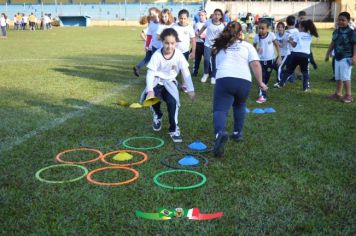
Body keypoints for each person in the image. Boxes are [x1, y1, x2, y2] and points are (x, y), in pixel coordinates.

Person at [212, 21, 267, 157]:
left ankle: (220, 133)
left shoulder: (220, 47)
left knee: (220, 109)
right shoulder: (247, 46)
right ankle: (237, 133)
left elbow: (218, 66)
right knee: (240, 105)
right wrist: (260, 82)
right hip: (244, 80)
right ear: (240, 33)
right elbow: (255, 64)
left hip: (225, 78)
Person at [145, 28, 195, 142]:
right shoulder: (157, 55)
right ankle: (158, 115)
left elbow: (185, 72)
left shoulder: (178, 55)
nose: (169, 46)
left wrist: (190, 89)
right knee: (153, 100)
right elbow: (150, 73)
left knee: (173, 103)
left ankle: (174, 129)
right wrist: (150, 90)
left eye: (172, 43)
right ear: (162, 42)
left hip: (170, 82)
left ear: (176, 43)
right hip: (156, 81)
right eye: (166, 43)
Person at [276, 20, 319, 92]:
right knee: (305, 72)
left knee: (289, 70)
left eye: (299, 26)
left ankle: (280, 84)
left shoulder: (297, 34)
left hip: (295, 54)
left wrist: (290, 41)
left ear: (302, 27)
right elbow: (315, 37)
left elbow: (294, 45)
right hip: (305, 55)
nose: (298, 27)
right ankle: (305, 88)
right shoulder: (310, 35)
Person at [325, 12, 356, 103]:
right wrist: (328, 53)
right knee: (338, 77)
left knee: (346, 77)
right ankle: (338, 93)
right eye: (339, 20)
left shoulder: (351, 33)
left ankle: (349, 95)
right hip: (337, 57)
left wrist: (354, 57)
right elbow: (333, 43)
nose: (341, 22)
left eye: (343, 20)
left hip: (346, 58)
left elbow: (355, 45)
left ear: (348, 21)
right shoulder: (336, 31)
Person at [253, 19, 281, 103]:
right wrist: (257, 49)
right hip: (260, 61)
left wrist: (279, 56)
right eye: (259, 28)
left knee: (266, 78)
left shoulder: (271, 35)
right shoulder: (256, 37)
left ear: (267, 29)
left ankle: (262, 91)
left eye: (263, 28)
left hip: (270, 61)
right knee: (262, 78)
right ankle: (263, 96)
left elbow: (277, 45)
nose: (260, 30)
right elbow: (253, 47)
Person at [198, 8, 225, 84]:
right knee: (206, 60)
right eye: (215, 14)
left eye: (218, 14)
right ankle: (206, 74)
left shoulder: (222, 26)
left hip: (216, 46)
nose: (216, 16)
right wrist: (198, 34)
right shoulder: (209, 22)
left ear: (221, 16)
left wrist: (218, 46)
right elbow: (203, 28)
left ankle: (213, 76)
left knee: (214, 61)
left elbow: (222, 37)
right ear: (213, 15)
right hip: (207, 44)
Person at [275, 16, 298, 86]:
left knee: (280, 66)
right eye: (278, 27)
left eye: (281, 27)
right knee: (288, 67)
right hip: (281, 53)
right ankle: (290, 78)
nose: (280, 28)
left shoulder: (287, 34)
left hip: (288, 53)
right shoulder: (276, 35)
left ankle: (280, 81)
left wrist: (289, 41)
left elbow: (292, 43)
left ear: (284, 27)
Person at [192, 10, 207, 76]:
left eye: (202, 15)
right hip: (198, 44)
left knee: (207, 60)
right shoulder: (196, 24)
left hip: (205, 44)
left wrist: (202, 36)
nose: (201, 17)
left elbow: (209, 35)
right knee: (197, 59)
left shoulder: (208, 24)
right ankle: (195, 72)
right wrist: (196, 35)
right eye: (199, 15)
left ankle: (208, 72)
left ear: (205, 15)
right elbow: (194, 35)